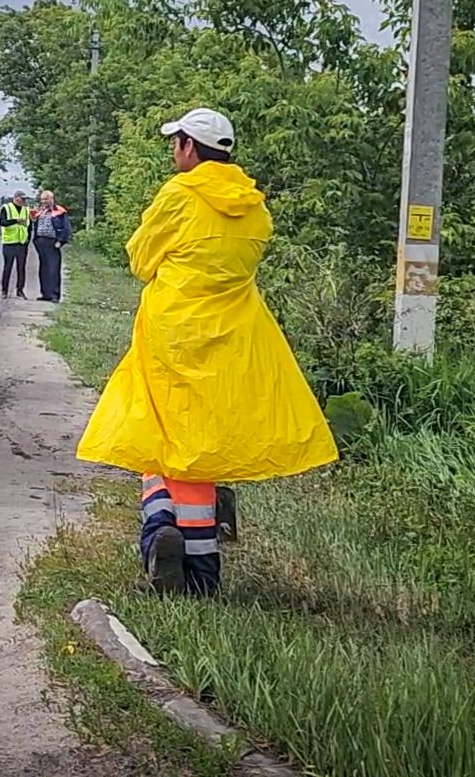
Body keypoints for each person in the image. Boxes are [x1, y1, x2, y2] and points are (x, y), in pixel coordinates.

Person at [75, 107, 337, 596]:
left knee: (157, 434)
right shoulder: (256, 207)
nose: (173, 151)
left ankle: (158, 528)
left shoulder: (178, 194)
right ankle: (202, 575)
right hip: (233, 335)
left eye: (175, 143)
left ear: (189, 148)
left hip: (171, 331)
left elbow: (139, 259)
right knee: (200, 448)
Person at [32, 189, 72, 301]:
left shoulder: (59, 211)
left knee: (53, 269)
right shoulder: (40, 211)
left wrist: (60, 241)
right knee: (43, 269)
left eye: (46, 199)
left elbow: (66, 228)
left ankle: (55, 295)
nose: (44, 201)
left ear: (51, 199)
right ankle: (45, 294)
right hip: (41, 242)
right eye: (42, 199)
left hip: (53, 242)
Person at [0, 191, 31, 298]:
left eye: (25, 199)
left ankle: (20, 290)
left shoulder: (26, 210)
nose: (23, 201)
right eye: (22, 199)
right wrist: (15, 220)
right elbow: (2, 222)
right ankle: (4, 290)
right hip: (9, 243)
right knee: (8, 267)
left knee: (21, 268)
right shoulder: (6, 208)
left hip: (22, 243)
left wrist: (28, 239)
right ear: (16, 198)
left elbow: (29, 226)